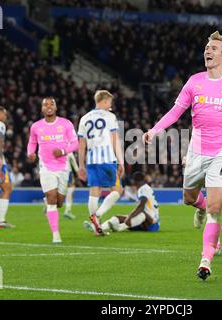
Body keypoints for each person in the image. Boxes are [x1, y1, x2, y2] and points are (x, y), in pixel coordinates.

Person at [143, 31, 222, 280]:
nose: (208, 51)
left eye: (214, 48)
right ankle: (200, 208)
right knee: (188, 197)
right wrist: (155, 130)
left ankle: (206, 260)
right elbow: (176, 111)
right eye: (207, 47)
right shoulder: (194, 82)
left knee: (217, 207)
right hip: (196, 151)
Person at [27, 97, 79, 243]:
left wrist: (63, 151)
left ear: (56, 108)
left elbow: (75, 143)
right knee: (51, 198)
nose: (49, 107)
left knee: (59, 203)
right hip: (46, 167)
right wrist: (30, 154)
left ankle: (49, 204)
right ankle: (56, 234)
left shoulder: (66, 124)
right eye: (45, 105)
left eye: (52, 104)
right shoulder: (36, 126)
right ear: (42, 109)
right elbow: (31, 143)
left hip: (63, 168)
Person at [77, 90, 125, 236]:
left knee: (94, 192)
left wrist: (81, 165)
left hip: (91, 159)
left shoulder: (84, 118)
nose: (110, 105)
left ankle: (96, 228)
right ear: (103, 101)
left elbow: (81, 145)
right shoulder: (110, 117)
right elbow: (114, 140)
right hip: (107, 158)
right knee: (117, 190)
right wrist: (121, 161)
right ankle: (97, 215)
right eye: (109, 102)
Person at [84, 172, 160, 234]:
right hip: (145, 222)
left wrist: (130, 217)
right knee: (117, 218)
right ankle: (99, 228)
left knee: (142, 214)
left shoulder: (143, 188)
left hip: (152, 224)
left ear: (134, 181)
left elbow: (141, 206)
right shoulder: (145, 188)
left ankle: (118, 228)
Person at [63, 150, 79, 220]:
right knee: (70, 191)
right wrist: (78, 172)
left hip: (56, 172)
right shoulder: (68, 149)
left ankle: (47, 205)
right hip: (67, 172)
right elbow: (73, 161)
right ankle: (67, 210)